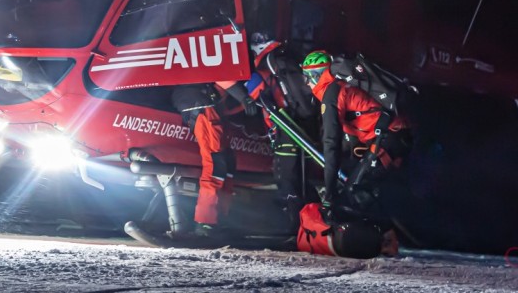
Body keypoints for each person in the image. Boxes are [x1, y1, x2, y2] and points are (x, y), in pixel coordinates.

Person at [301, 51, 411, 252]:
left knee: (355, 190)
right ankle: (386, 238)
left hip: (390, 138)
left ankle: (387, 243)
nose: (306, 84)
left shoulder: (331, 94)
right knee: (360, 187)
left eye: (306, 78)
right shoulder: (340, 88)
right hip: (393, 137)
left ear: (316, 76)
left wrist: (329, 191)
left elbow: (331, 145)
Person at [245, 35, 318, 226]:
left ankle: (297, 227)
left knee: (286, 179)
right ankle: (313, 222)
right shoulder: (283, 59)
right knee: (303, 179)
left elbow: (260, 97)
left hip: (286, 126)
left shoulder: (264, 67)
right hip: (304, 125)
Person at [171, 80, 257, 238]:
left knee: (227, 164)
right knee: (216, 164)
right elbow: (221, 73)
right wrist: (243, 97)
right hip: (200, 104)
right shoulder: (219, 57)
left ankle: (220, 219)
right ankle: (205, 222)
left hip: (210, 104)